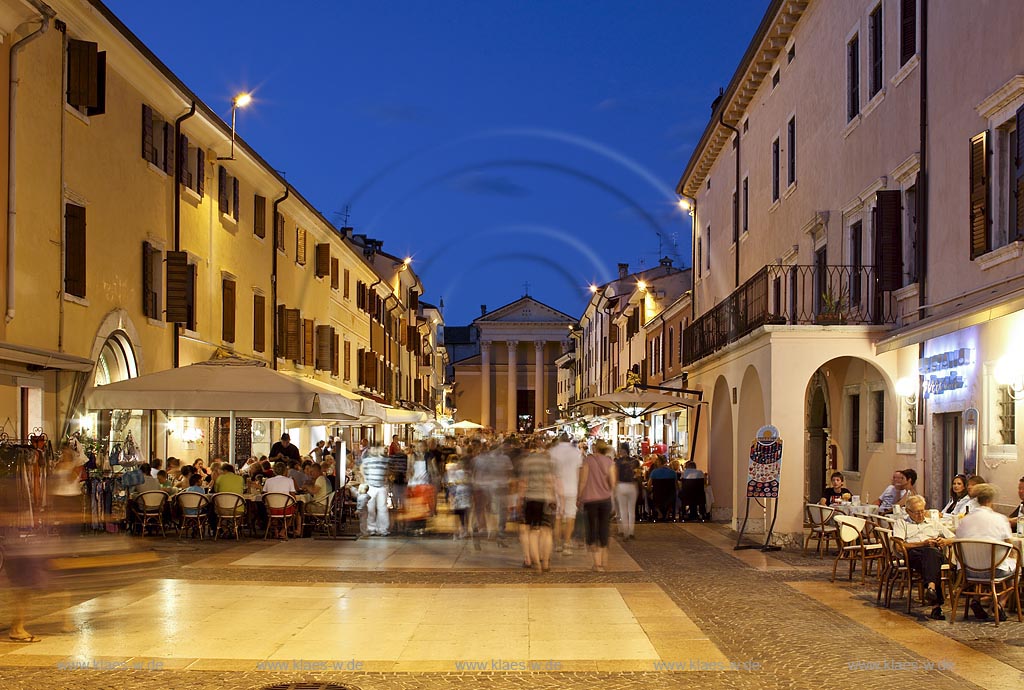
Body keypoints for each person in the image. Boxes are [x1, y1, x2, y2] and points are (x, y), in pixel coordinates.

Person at [956, 483, 1015, 620]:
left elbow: (958, 540)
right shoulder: (999, 519)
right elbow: (1009, 546)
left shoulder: (965, 520)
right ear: (990, 500)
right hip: (994, 569)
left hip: (969, 570)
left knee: (984, 563)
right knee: (1015, 570)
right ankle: (1000, 603)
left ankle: (976, 599)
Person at [893, 495, 954, 620]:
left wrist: (944, 541)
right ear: (908, 511)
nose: (920, 515)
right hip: (914, 553)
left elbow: (954, 538)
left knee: (932, 555)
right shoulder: (901, 523)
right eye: (916, 512)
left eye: (922, 511)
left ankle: (931, 589)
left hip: (934, 552)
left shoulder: (933, 523)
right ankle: (935, 605)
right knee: (931, 561)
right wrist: (923, 544)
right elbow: (899, 547)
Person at [518, 441, 556, 573]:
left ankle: (536, 563)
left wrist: (520, 499)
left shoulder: (527, 461)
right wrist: (552, 497)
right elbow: (550, 481)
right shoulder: (547, 461)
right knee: (547, 532)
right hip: (546, 498)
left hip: (532, 498)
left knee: (534, 532)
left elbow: (523, 482)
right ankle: (545, 562)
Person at [578, 440, 616, 572]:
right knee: (604, 528)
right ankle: (603, 562)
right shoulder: (610, 462)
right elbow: (613, 482)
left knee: (592, 529)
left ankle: (597, 563)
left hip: (590, 500)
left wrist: (579, 497)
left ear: (594, 448)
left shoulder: (588, 461)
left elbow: (582, 481)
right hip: (605, 500)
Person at [550, 433, 583, 555]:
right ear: (569, 440)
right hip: (572, 488)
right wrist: (579, 488)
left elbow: (551, 471)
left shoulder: (553, 451)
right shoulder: (576, 452)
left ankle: (558, 543)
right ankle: (567, 544)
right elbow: (578, 472)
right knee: (570, 517)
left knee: (558, 517)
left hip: (557, 488)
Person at [362, 446, 391, 536]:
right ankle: (371, 528)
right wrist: (365, 479)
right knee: (370, 508)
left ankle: (382, 529)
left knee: (382, 508)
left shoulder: (384, 460)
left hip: (382, 487)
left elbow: (388, 471)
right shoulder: (366, 460)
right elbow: (361, 468)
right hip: (371, 487)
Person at [614, 444, 639, 540]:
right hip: (632, 486)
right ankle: (631, 531)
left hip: (621, 486)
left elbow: (615, 475)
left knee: (623, 510)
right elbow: (637, 474)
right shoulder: (635, 461)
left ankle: (625, 532)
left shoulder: (618, 462)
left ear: (622, 450)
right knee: (631, 510)